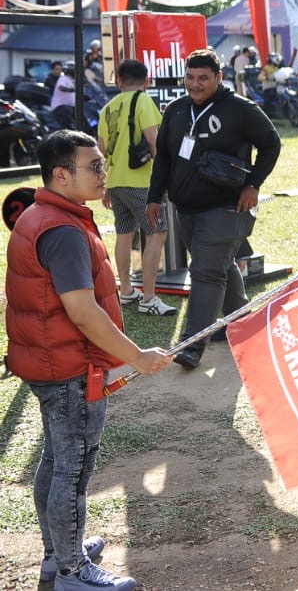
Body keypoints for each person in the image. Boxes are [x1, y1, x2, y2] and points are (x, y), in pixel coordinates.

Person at [6, 130, 172, 591]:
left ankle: (57, 553)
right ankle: (71, 572)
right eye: (95, 166)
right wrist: (137, 357)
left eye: (103, 164)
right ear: (61, 175)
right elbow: (82, 310)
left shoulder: (45, 215)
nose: (105, 173)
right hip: (68, 370)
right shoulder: (61, 229)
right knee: (72, 468)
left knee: (57, 460)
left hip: (49, 362)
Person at [145, 49, 282, 370]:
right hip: (186, 208)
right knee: (219, 264)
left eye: (203, 78)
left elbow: (271, 144)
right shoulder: (177, 110)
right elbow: (164, 156)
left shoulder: (240, 109)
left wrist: (254, 184)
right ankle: (242, 320)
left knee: (205, 272)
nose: (195, 84)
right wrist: (154, 197)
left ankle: (193, 344)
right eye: (190, 78)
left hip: (226, 206)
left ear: (219, 78)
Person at [96, 60, 176, 317]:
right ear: (147, 80)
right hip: (140, 181)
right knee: (157, 233)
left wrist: (106, 184)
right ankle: (149, 298)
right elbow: (155, 144)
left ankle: (128, 290)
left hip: (116, 181)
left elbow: (100, 150)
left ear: (118, 80)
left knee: (124, 233)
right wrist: (165, 181)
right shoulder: (143, 101)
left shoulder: (107, 108)